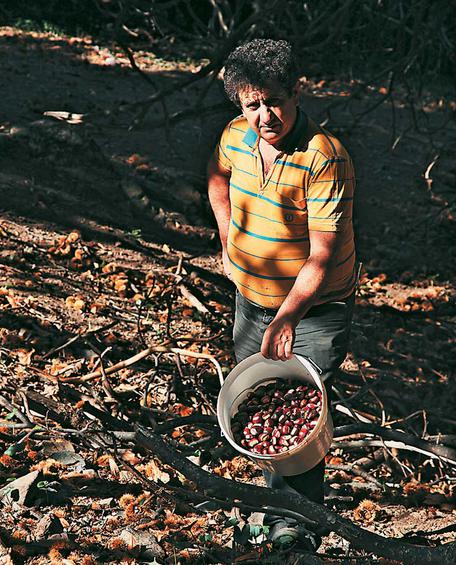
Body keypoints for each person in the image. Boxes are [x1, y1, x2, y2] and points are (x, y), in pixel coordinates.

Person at [207, 39, 357, 550]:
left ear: (298, 91)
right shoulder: (234, 138)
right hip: (253, 299)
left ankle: (293, 526)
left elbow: (321, 257)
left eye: (275, 100)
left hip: (315, 307)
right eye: (253, 104)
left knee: (305, 414)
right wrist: (228, 241)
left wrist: (289, 317)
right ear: (239, 105)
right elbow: (216, 180)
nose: (265, 114)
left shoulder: (324, 159)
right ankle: (272, 505)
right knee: (261, 404)